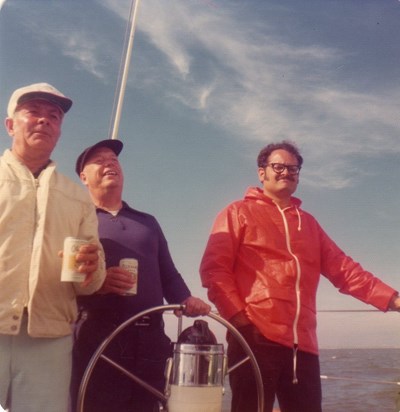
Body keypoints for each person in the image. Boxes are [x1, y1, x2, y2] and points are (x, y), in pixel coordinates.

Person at [199, 141, 400, 412]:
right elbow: (214, 269)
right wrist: (239, 319)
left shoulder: (310, 225)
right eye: (278, 166)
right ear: (262, 173)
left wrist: (394, 299)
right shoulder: (237, 212)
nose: (285, 172)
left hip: (303, 346)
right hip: (254, 337)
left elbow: (345, 270)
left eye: (292, 168)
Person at [71, 139, 211, 412]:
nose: (110, 163)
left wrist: (185, 298)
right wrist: (98, 283)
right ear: (83, 177)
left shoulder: (147, 221)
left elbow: (167, 272)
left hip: (150, 340)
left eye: (114, 159)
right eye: (99, 160)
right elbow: (64, 278)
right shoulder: (77, 219)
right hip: (98, 336)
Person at [0, 83, 106, 412]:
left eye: (54, 116)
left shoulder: (78, 198)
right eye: (34, 112)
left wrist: (92, 269)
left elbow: (91, 282)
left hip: (50, 339)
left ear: (59, 131)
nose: (45, 121)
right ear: (11, 124)